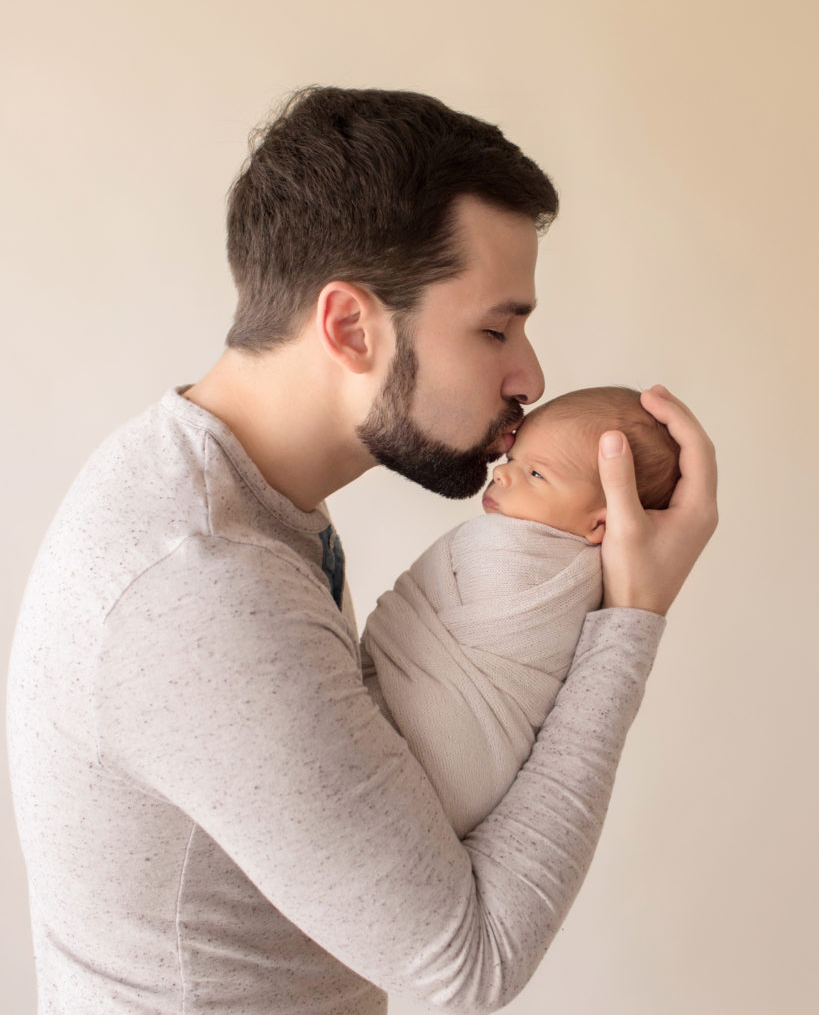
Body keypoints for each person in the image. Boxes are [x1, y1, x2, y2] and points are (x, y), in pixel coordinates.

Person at [7, 87, 717, 1015]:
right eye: (495, 328)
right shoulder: (203, 583)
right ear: (348, 326)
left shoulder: (239, 492)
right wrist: (630, 619)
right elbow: (468, 966)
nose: (531, 377)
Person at [364, 386, 681, 837]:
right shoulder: (601, 582)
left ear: (600, 523)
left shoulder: (517, 555)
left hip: (435, 760)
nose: (502, 475)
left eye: (535, 474)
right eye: (512, 462)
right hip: (464, 799)